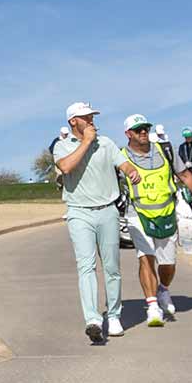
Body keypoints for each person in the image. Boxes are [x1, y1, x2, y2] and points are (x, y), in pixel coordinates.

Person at [118, 115, 192, 328]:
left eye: (145, 128)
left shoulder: (164, 150)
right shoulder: (120, 157)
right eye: (138, 129)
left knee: (167, 264)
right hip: (137, 213)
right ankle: (152, 307)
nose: (143, 132)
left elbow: (185, 176)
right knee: (146, 257)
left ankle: (163, 289)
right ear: (128, 133)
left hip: (166, 212)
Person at [52, 102, 126, 344]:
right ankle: (93, 320)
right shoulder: (61, 146)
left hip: (108, 210)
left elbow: (122, 163)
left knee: (112, 266)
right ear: (73, 121)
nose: (91, 120)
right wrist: (85, 142)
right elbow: (65, 167)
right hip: (79, 212)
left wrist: (131, 170)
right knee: (86, 266)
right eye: (86, 117)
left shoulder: (106, 143)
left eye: (92, 116)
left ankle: (114, 316)